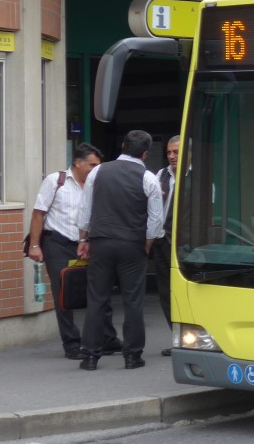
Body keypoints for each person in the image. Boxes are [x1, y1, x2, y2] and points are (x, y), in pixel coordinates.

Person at [75, 130, 164, 371]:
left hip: (101, 240)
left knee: (97, 299)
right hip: (132, 244)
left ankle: (90, 356)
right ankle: (133, 356)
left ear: (123, 145)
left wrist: (84, 237)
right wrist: (146, 244)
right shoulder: (148, 178)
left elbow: (85, 209)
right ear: (145, 153)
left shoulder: (98, 172)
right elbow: (156, 220)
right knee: (133, 300)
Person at [26, 143, 119, 360]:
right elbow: (38, 213)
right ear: (78, 162)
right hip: (57, 243)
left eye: (98, 165)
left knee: (99, 289)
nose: (96, 169)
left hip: (87, 244)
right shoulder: (55, 181)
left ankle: (107, 338)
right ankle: (71, 344)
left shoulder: (96, 183)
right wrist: (34, 245)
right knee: (63, 295)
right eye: (92, 164)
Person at [150, 134, 180, 357]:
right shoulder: (159, 175)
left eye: (176, 152)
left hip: (181, 245)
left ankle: (188, 340)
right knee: (165, 293)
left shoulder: (198, 176)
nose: (171, 156)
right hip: (160, 242)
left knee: (181, 294)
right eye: (169, 152)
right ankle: (176, 338)